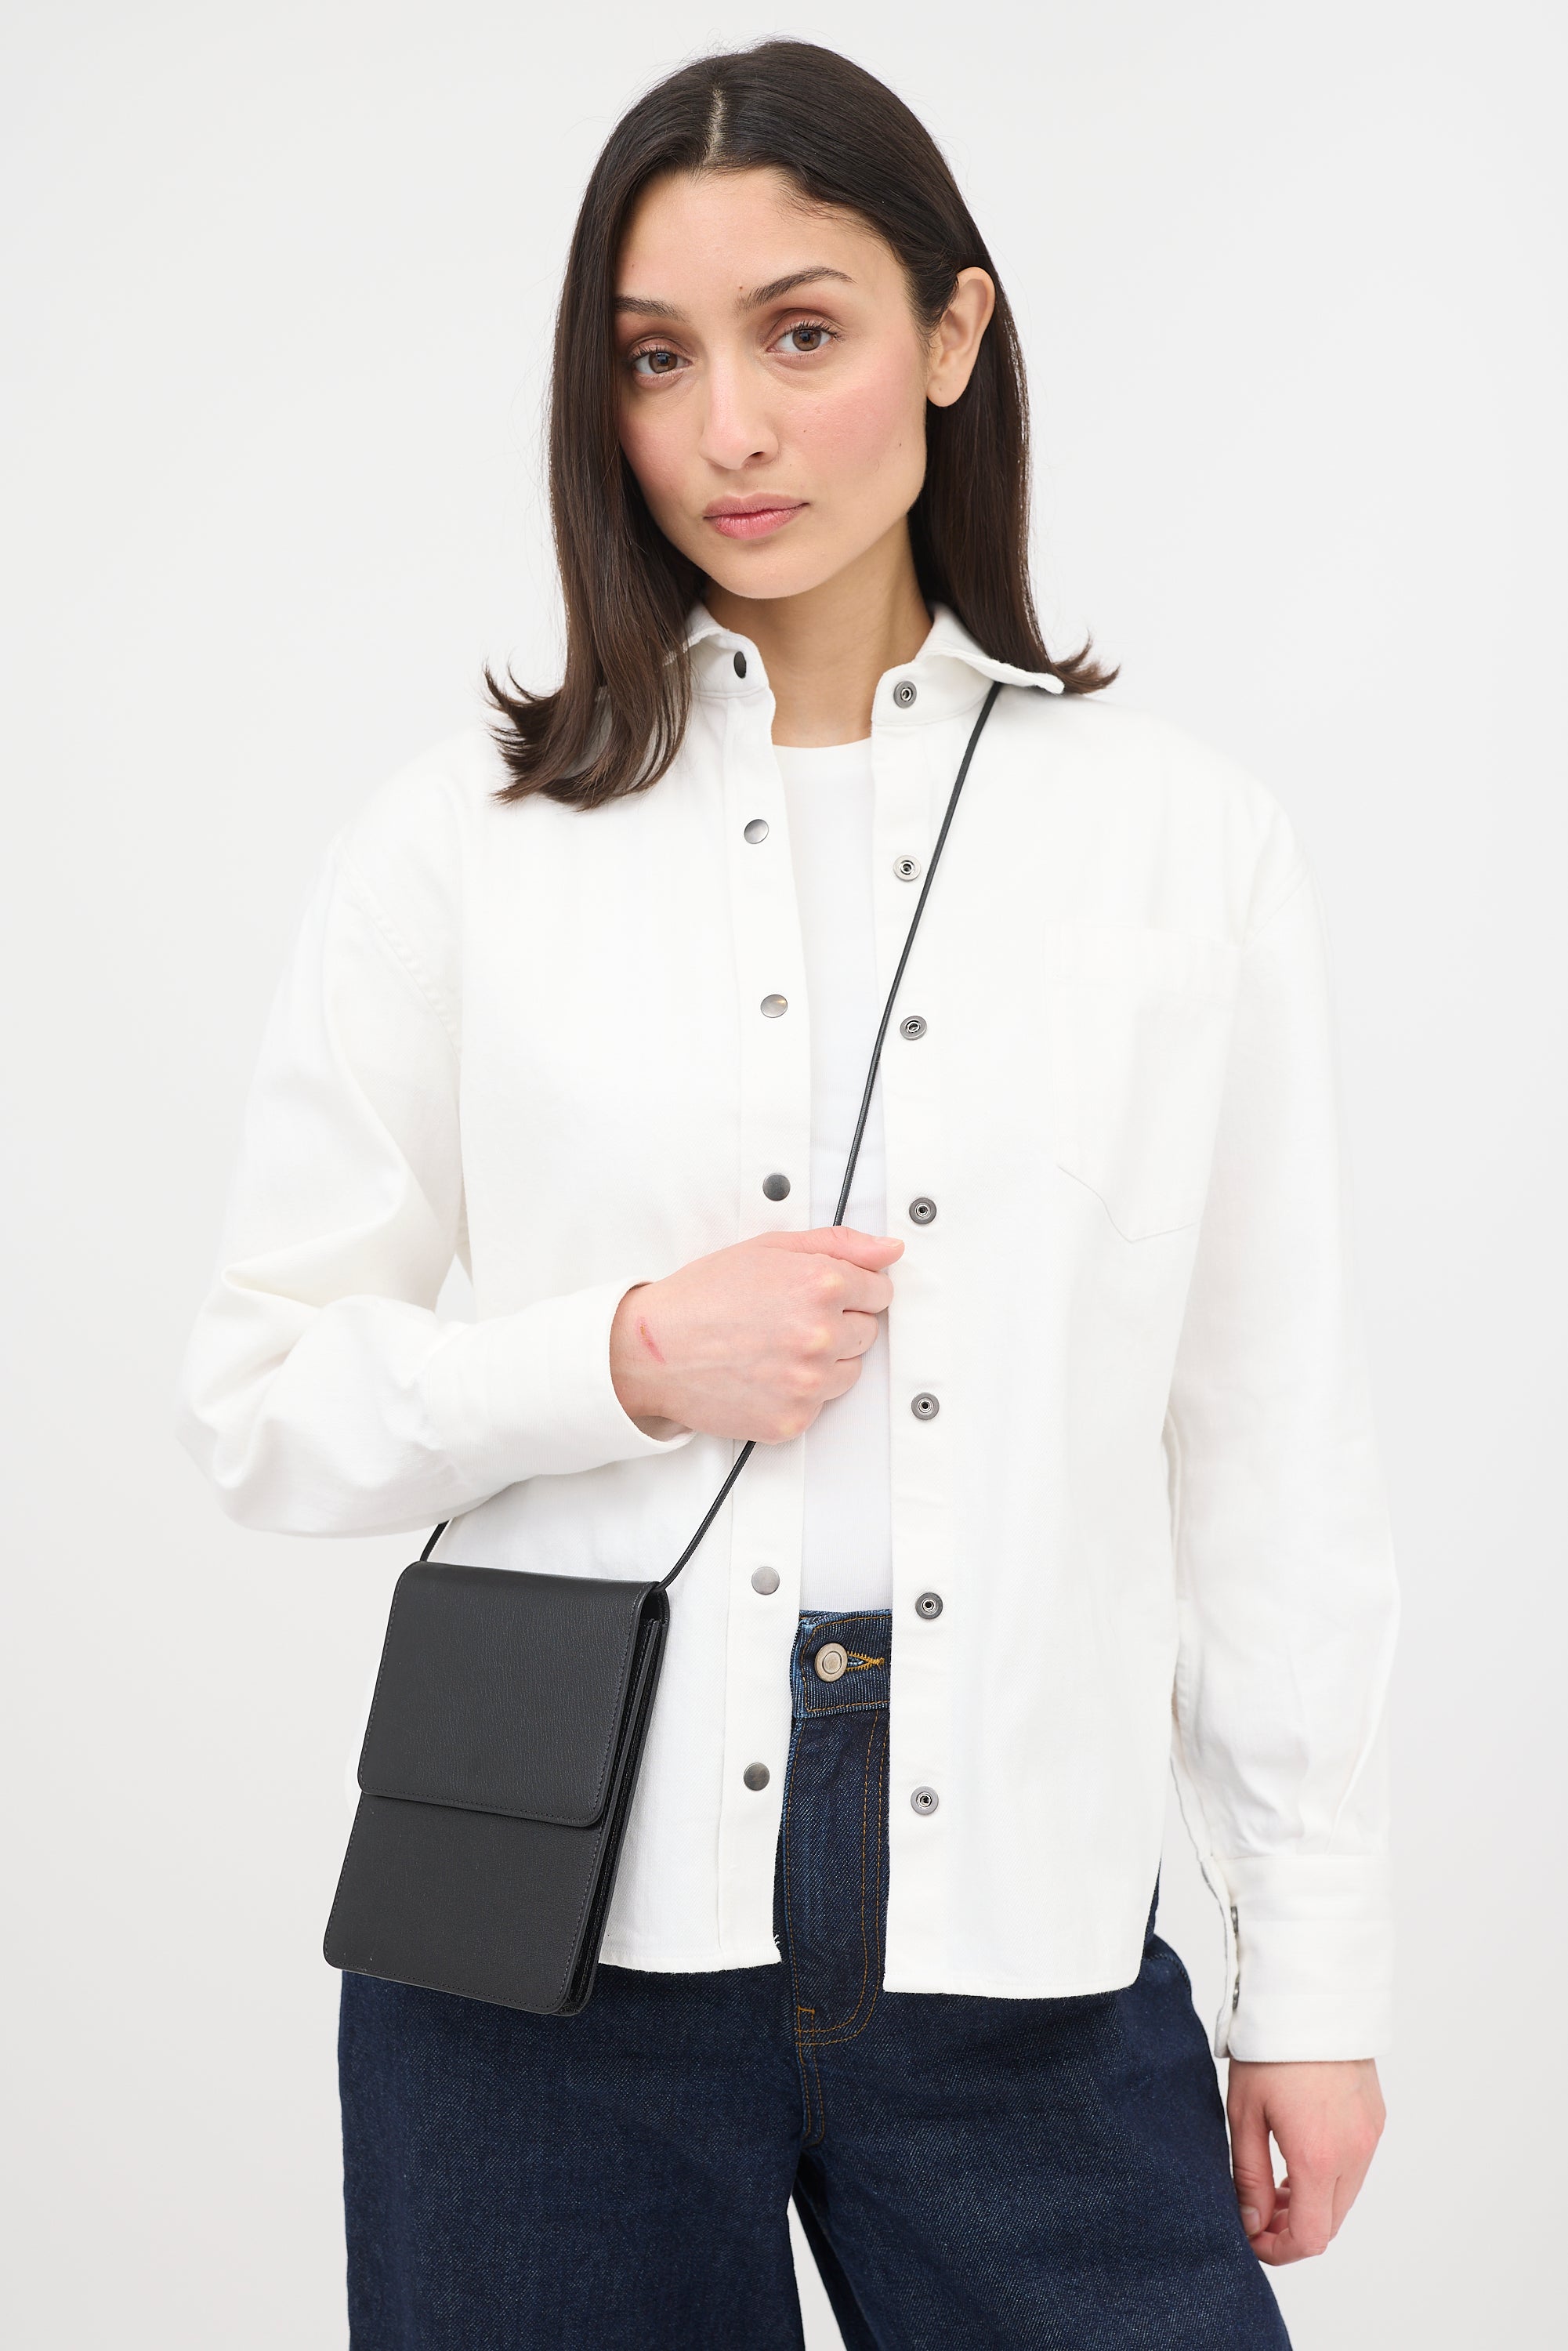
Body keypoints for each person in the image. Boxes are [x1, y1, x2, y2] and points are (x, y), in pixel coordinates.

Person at [175, 37, 1397, 2351]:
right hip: (544, 1946)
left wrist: (1308, 1974)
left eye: (801, 332)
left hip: (1020, 1931)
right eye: (657, 358)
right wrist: (623, 1357)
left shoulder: (1177, 842)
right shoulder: (461, 848)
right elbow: (261, 1402)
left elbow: (1267, 1446)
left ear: (953, 333)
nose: (727, 427)